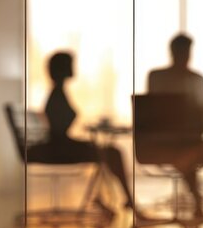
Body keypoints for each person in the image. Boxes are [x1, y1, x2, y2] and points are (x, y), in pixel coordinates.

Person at [27, 52, 143, 218]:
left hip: (59, 145)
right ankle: (126, 200)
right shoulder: (57, 94)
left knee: (108, 152)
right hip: (59, 149)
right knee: (112, 153)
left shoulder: (57, 93)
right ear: (62, 69)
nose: (73, 68)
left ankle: (108, 198)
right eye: (69, 64)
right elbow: (58, 130)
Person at [139, 34, 203, 223]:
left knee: (195, 147)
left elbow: (151, 113)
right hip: (167, 144)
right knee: (200, 148)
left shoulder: (159, 77)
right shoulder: (194, 79)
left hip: (172, 143)